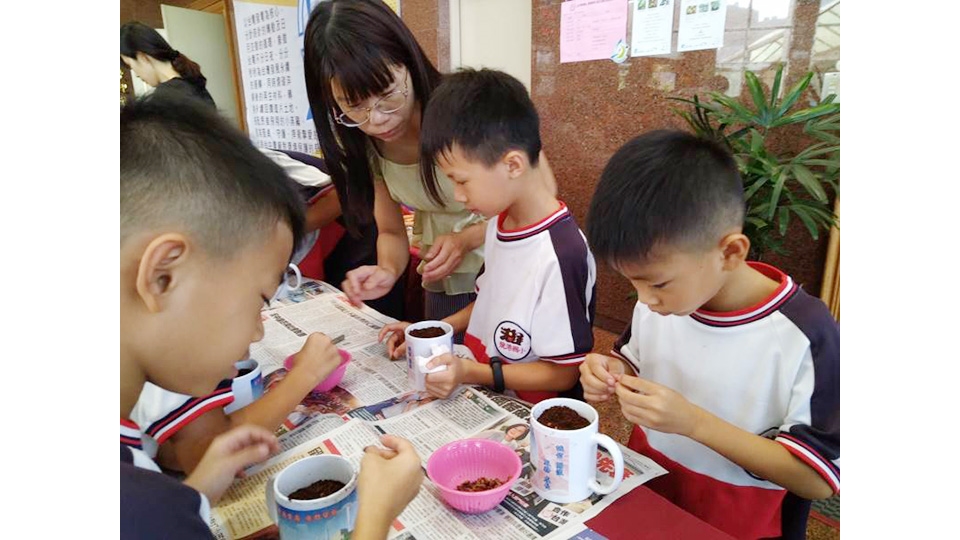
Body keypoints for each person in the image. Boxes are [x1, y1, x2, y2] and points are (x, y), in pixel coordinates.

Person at [121, 92, 422, 539]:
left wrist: (200, 491)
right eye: (259, 300)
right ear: (163, 275)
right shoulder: (139, 509)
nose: (257, 330)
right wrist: (375, 515)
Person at [579, 130, 840, 540]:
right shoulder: (663, 300)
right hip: (648, 494)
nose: (645, 301)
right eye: (635, 283)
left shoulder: (805, 334)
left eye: (658, 284)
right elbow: (632, 361)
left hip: (737, 523)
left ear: (731, 252)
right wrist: (607, 370)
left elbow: (817, 480)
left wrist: (693, 423)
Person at [303, 0, 557, 326]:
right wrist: (387, 270)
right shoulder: (364, 143)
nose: (377, 120)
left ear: (407, 61)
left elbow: (544, 190)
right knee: (444, 362)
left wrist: (467, 239)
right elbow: (392, 231)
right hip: (442, 274)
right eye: (354, 106)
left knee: (504, 362)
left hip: (508, 260)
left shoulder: (463, 107)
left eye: (387, 93)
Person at [380, 69, 596, 404]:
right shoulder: (500, 224)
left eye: (461, 180)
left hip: (529, 406)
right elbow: (491, 301)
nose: (458, 195)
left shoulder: (561, 254)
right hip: (489, 388)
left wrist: (471, 373)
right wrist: (431, 330)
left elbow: (564, 373)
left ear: (512, 165)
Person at [121, 21, 216, 107]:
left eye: (130, 65)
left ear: (143, 57)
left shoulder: (163, 100)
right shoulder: (193, 82)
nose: (136, 74)